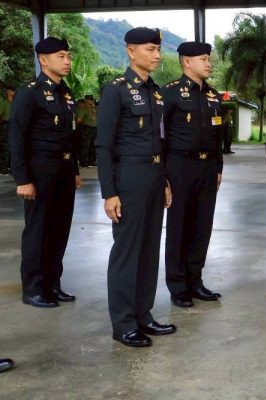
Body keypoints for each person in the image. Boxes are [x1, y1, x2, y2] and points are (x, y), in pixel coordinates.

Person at [96, 27, 175, 348]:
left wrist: (166, 180)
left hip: (155, 177)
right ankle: (124, 323)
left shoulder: (155, 92)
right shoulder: (115, 90)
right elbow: (103, 145)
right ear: (130, 51)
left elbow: (160, 139)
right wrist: (109, 192)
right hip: (128, 177)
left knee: (148, 250)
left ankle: (144, 314)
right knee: (127, 252)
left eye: (158, 49)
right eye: (150, 49)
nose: (156, 55)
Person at [9, 37, 82, 308]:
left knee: (59, 229)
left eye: (68, 56)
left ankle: (53, 283)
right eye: (61, 56)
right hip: (40, 170)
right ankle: (34, 288)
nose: (67, 61)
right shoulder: (30, 92)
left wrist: (74, 169)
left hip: (63, 170)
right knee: (38, 230)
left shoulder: (65, 92)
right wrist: (23, 178)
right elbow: (17, 136)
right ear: (43, 59)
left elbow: (70, 136)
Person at [162, 41, 224, 308]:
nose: (208, 63)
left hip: (207, 167)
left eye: (208, 58)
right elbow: (159, 137)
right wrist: (162, 176)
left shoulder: (212, 95)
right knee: (179, 227)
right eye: (203, 59)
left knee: (202, 226)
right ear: (187, 62)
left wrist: (219, 167)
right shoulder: (171, 94)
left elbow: (218, 135)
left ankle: (195, 281)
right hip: (180, 167)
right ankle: (178, 286)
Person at [77, 95, 97, 166]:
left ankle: (91, 161)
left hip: (95, 128)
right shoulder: (83, 109)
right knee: (86, 145)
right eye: (90, 100)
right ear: (86, 100)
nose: (92, 101)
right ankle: (84, 161)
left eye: (92, 99)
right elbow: (79, 120)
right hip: (87, 129)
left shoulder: (94, 108)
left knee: (93, 145)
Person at [0, 85, 15, 174]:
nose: (14, 92)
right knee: (5, 146)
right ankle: (3, 168)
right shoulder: (4, 103)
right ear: (8, 92)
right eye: (12, 90)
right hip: (6, 125)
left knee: (14, 146)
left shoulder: (16, 103)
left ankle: (11, 167)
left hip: (15, 125)